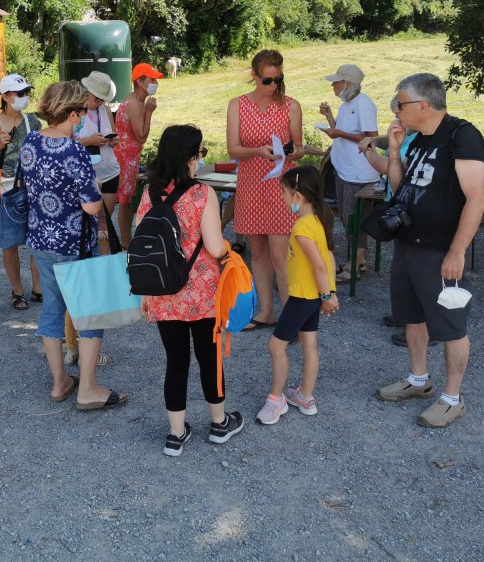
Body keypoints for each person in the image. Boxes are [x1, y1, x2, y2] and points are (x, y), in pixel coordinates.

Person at [376, 73, 484, 428]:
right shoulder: (419, 139)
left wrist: (457, 251)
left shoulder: (461, 135)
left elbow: (476, 199)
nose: (395, 109)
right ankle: (419, 380)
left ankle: (453, 399)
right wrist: (394, 151)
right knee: (412, 316)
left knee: (451, 325)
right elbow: (402, 190)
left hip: (440, 249)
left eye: (400, 103)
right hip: (409, 244)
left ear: (424, 105)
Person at [137, 124, 244, 456]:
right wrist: (231, 257)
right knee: (209, 357)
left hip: (163, 290)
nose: (201, 159)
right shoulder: (202, 194)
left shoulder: (150, 192)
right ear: (187, 157)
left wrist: (145, 293)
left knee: (176, 361)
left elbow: (143, 246)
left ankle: (176, 434)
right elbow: (213, 246)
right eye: (199, 153)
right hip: (201, 292)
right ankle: (219, 423)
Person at [19, 80, 126, 410]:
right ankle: (88, 388)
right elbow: (92, 206)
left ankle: (60, 383)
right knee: (91, 315)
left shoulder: (30, 142)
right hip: (75, 244)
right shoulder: (74, 151)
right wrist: (92, 185)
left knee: (52, 310)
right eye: (81, 112)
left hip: (40, 239)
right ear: (71, 112)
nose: (83, 118)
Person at [225, 49, 303, 329]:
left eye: (278, 79)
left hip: (282, 186)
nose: (273, 86)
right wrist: (258, 151)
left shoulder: (291, 106)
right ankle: (266, 312)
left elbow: (300, 148)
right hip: (251, 183)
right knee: (257, 253)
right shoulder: (237, 105)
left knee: (281, 255)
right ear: (254, 76)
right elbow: (233, 148)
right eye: (267, 80)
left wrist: (294, 152)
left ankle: (291, 322)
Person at [256, 166, 338, 425]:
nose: (281, 197)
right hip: (311, 295)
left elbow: (320, 265)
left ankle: (276, 399)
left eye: (283, 192)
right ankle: (305, 396)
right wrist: (327, 293)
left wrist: (328, 296)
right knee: (309, 345)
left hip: (303, 296)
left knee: (276, 345)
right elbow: (329, 259)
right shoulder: (317, 221)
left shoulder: (303, 228)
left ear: (298, 196)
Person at [0, 73, 42, 310]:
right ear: (5, 96)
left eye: (27, 92)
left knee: (37, 242)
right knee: (10, 243)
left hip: (33, 187)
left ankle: (37, 288)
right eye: (20, 93)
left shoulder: (33, 122)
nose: (25, 97)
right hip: (6, 190)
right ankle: (17, 291)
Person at [317, 63, 380, 282]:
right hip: (345, 170)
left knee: (354, 218)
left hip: (359, 173)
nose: (333, 85)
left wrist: (339, 132)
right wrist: (329, 118)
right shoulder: (347, 104)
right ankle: (358, 261)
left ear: (348, 84)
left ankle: (356, 264)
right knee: (346, 217)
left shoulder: (363, 103)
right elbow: (341, 133)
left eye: (336, 82)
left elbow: (371, 136)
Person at [115, 62, 162, 248]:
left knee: (126, 201)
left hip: (129, 157)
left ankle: (126, 241)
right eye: (152, 79)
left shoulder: (136, 100)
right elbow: (141, 136)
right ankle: (126, 243)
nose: (156, 82)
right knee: (125, 203)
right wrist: (149, 113)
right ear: (140, 82)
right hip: (125, 159)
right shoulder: (134, 104)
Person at [77, 71, 120, 248]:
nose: (100, 103)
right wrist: (90, 141)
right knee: (82, 221)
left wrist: (114, 140)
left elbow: (114, 133)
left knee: (104, 219)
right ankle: (85, 256)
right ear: (86, 91)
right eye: (97, 98)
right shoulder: (75, 112)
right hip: (85, 174)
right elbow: (64, 142)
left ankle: (102, 257)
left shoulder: (105, 110)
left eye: (103, 99)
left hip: (109, 171)